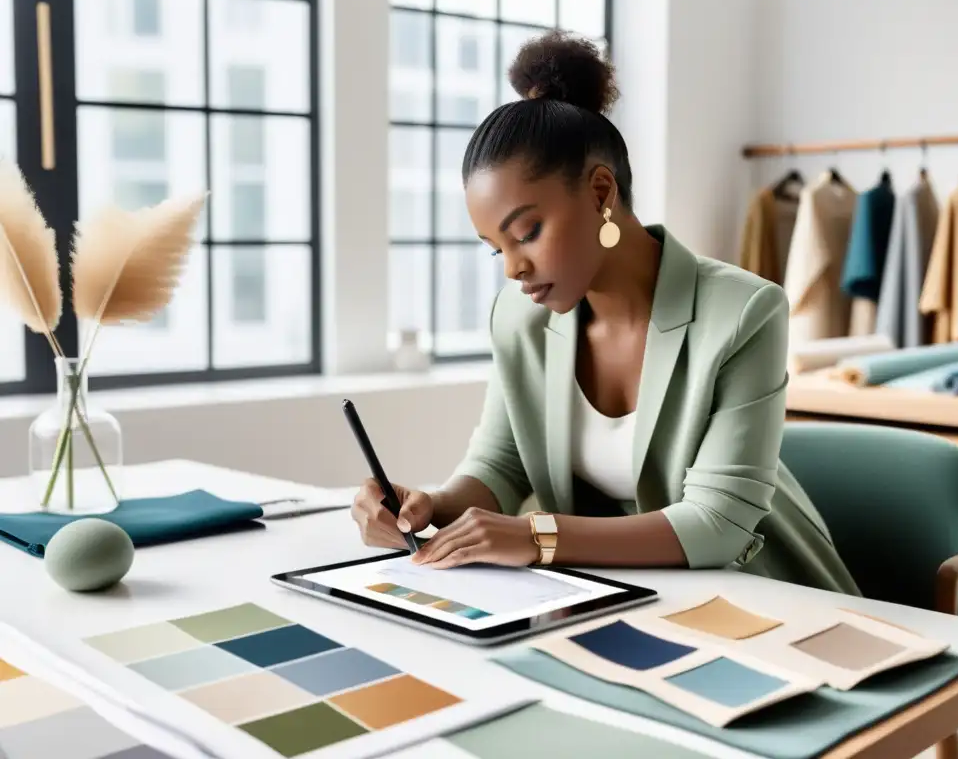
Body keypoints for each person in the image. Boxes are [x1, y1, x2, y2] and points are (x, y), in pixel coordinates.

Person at [352, 31, 861, 596]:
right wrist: (429, 508)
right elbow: (501, 465)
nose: (512, 269)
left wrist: (536, 537)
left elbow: (719, 526)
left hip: (765, 594)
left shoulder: (744, 313)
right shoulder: (519, 319)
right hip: (620, 596)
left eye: (527, 234)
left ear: (600, 193)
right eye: (498, 248)